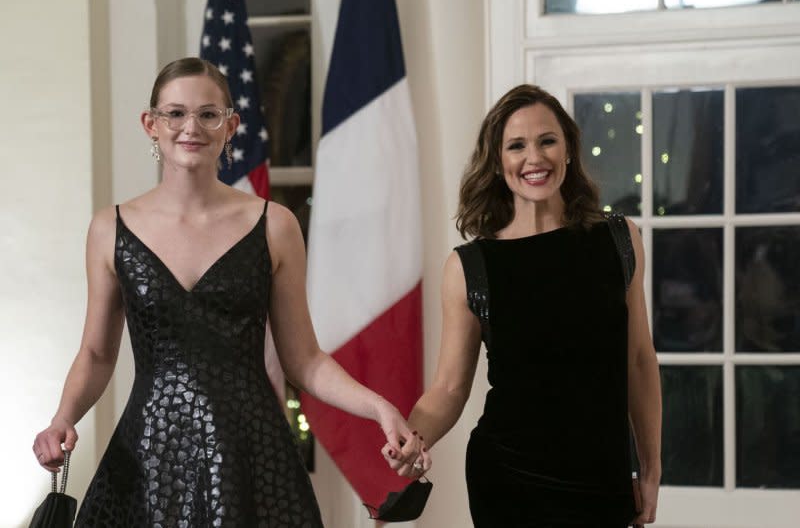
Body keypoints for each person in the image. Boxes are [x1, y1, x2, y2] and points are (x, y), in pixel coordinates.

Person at [32, 57, 426, 527]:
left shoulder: (275, 225)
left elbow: (305, 360)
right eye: (174, 113)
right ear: (150, 124)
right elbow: (97, 354)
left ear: (230, 125)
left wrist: (379, 406)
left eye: (207, 114)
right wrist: (62, 419)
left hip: (251, 456)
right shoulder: (109, 229)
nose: (190, 127)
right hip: (149, 458)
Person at [384, 84, 662, 527]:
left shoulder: (619, 240)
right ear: (498, 162)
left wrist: (650, 470)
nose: (534, 158)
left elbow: (640, 362)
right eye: (516, 146)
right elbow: (450, 389)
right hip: (510, 481)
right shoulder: (469, 266)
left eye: (547, 141)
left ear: (568, 148)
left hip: (602, 480)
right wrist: (414, 440)